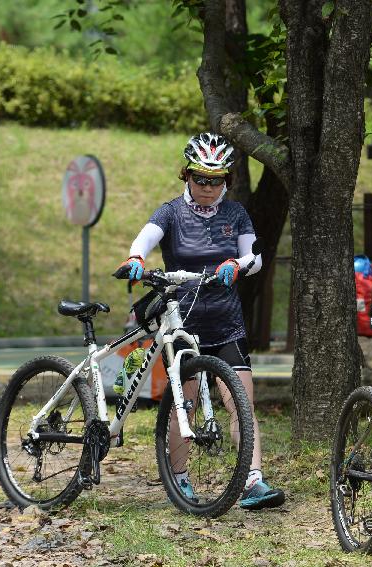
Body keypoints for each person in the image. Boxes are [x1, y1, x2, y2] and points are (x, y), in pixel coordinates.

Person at [119, 132, 284, 510]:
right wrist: (136, 259)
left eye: (217, 180)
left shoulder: (236, 213)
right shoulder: (171, 211)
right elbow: (146, 237)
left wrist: (236, 265)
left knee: (240, 400)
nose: (208, 187)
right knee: (186, 404)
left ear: (226, 180)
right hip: (181, 320)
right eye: (200, 178)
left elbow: (254, 257)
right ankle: (179, 479)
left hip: (226, 322)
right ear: (186, 176)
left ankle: (253, 481)